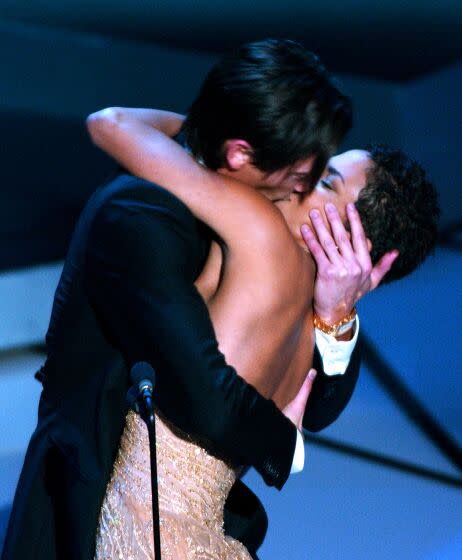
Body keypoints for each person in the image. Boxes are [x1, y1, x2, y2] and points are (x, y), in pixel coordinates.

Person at [3, 39, 381, 560]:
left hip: (206, 520)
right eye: (300, 177)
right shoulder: (140, 214)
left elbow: (316, 407)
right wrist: (282, 445)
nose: (304, 192)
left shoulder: (236, 203)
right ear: (240, 155)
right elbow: (204, 391)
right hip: (91, 507)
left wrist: (337, 312)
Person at [87, 107, 439, 558]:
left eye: (325, 182)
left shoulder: (257, 227)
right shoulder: (318, 322)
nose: (301, 176)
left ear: (357, 245)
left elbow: (111, 123)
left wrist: (207, 129)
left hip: (145, 534)